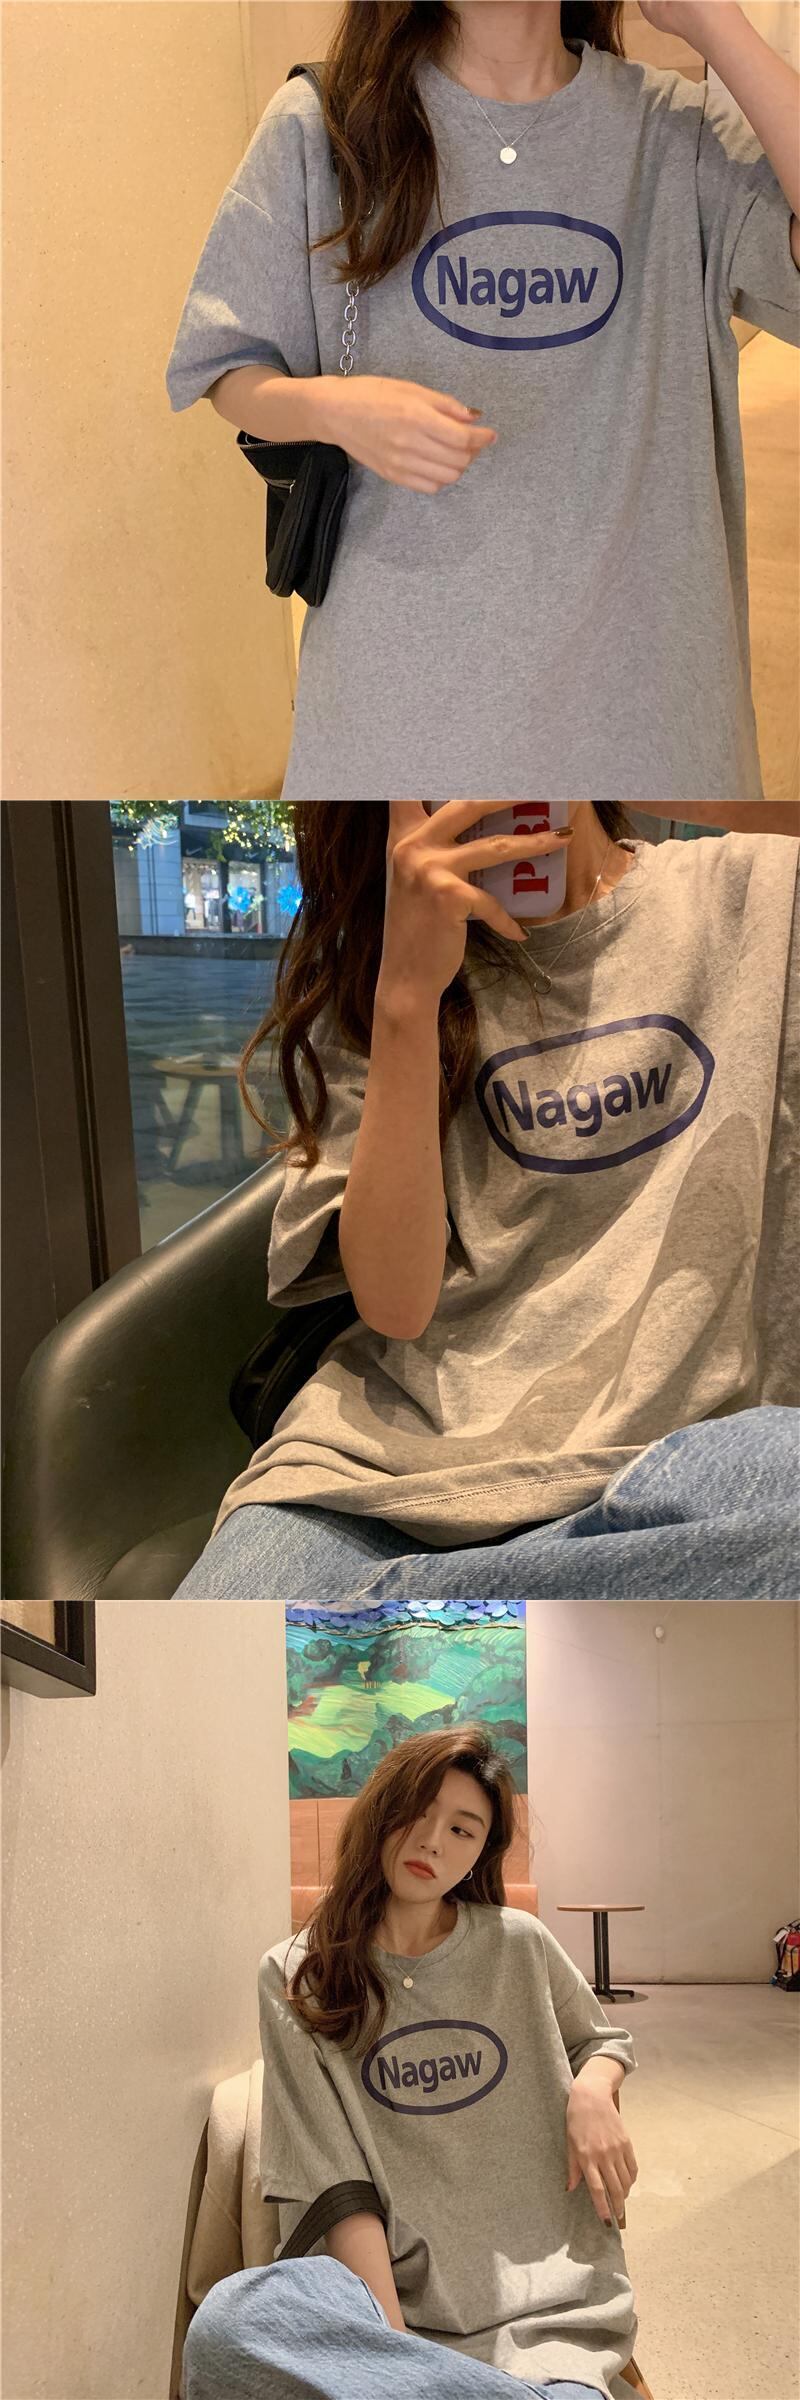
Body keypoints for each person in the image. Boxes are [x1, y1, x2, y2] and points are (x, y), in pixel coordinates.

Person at [166, 1, 800, 805]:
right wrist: (335, 410)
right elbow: (227, 365)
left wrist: (715, 24)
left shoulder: (679, 133)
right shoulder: (324, 128)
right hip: (398, 710)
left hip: (645, 714)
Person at [171, 800, 799, 1604]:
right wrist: (407, 997)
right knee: (229, 1651)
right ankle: (473, 1606)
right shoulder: (383, 962)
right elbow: (395, 1304)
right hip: (375, 1485)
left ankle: (425, 1613)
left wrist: (661, 751)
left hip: (686, 1468)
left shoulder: (755, 888)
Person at [182, 1724, 644, 2400]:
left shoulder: (518, 1945)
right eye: (419, 1813)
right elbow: (338, 2187)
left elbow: (601, 2040)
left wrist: (594, 2090)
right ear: (381, 1811)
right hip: (374, 2306)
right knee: (228, 2327)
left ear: (480, 1852)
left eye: (462, 1830)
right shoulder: (298, 1975)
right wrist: (396, 2358)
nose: (431, 1841)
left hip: (544, 2312)